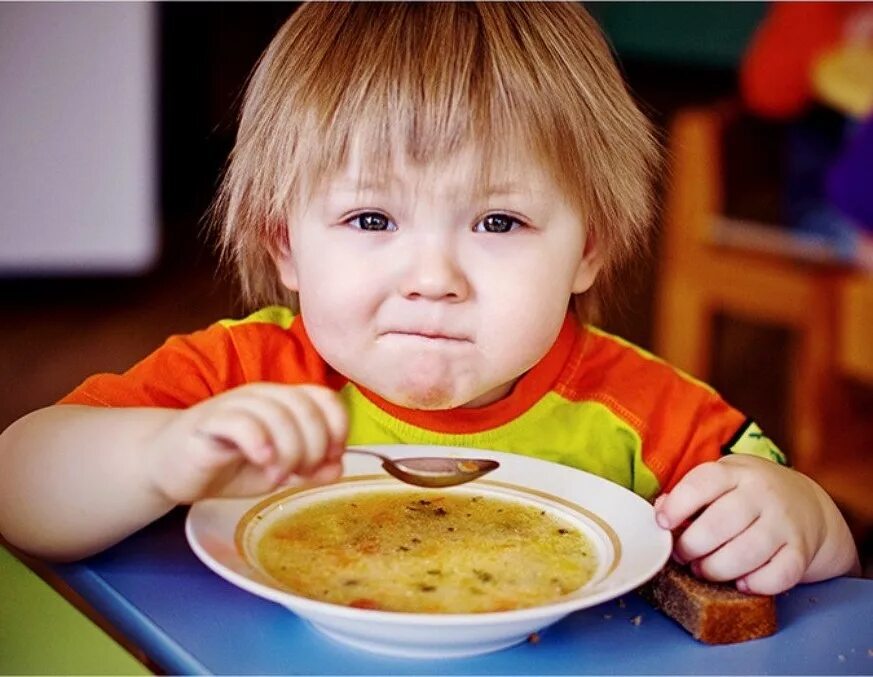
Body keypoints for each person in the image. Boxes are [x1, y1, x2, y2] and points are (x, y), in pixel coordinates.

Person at [0, 2, 859, 593]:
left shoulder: (643, 413)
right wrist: (159, 457)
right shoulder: (238, 382)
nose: (433, 277)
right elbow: (18, 489)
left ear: (586, 249)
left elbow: (820, 562)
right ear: (284, 244)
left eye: (497, 221)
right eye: (371, 217)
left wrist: (801, 519)